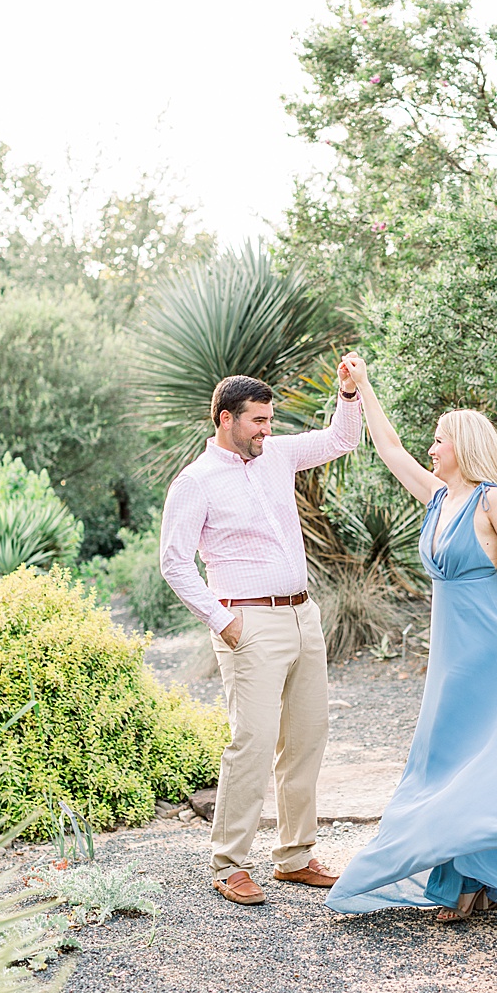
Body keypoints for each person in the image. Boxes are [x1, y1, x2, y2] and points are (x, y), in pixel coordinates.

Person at [325, 355, 497, 923]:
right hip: (451, 654)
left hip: (492, 646)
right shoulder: (439, 498)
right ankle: (466, 873)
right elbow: (389, 447)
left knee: (482, 755)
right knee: (444, 758)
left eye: (439, 441)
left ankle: (471, 880)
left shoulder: (492, 500)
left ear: (462, 448)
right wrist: (364, 386)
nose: (431, 449)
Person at [160, 365, 365, 906]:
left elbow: (343, 437)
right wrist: (223, 620)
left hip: (303, 617)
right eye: (256, 421)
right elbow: (174, 563)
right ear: (226, 419)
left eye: (270, 421)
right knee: (250, 742)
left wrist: (348, 391)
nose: (265, 431)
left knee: (306, 737)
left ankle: (295, 856)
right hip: (247, 624)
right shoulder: (196, 481)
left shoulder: (277, 454)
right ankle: (229, 863)